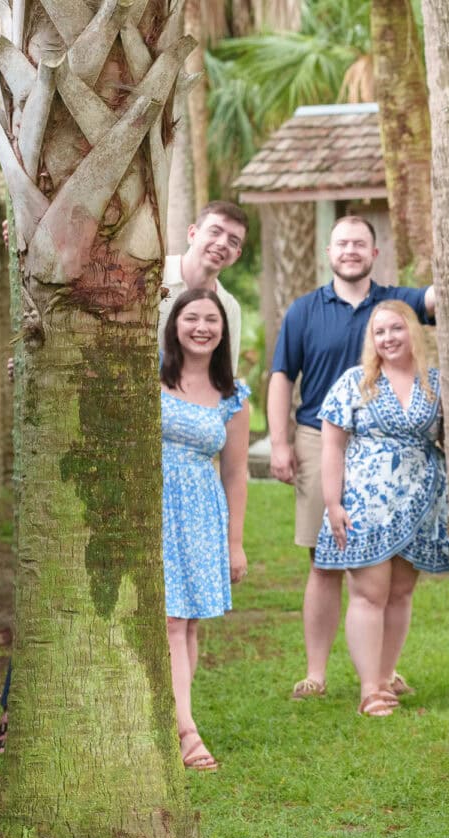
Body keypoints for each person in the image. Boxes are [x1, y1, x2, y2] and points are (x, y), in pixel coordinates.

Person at [268, 216, 437, 701]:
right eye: (342, 243)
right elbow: (282, 377)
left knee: (389, 560)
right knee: (324, 558)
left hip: (391, 447)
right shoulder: (304, 311)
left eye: (359, 243)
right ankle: (316, 672)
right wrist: (280, 443)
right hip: (322, 439)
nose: (350, 251)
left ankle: (384, 671)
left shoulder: (396, 304)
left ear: (374, 252)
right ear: (329, 251)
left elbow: (441, 297)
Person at [310, 301, 449, 717]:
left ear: (413, 331)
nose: (388, 338)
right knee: (370, 593)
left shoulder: (437, 383)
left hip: (420, 503)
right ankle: (369, 689)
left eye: (396, 329)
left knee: (401, 593)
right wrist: (333, 503)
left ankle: (387, 676)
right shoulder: (356, 382)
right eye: (379, 332)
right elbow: (332, 446)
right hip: (365, 503)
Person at [161, 289, 251, 771]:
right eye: (191, 317)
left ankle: (177, 722)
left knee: (187, 622)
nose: (202, 327)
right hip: (152, 503)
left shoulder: (233, 394)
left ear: (223, 331)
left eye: (211, 320)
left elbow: (235, 474)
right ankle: (185, 732)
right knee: (171, 622)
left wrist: (234, 543)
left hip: (199, 510)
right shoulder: (150, 376)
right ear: (174, 325)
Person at [161, 201, 247, 363]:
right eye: (215, 232)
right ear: (192, 234)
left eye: (233, 241)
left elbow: (225, 375)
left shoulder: (229, 308)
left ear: (237, 255)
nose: (222, 244)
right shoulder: (154, 275)